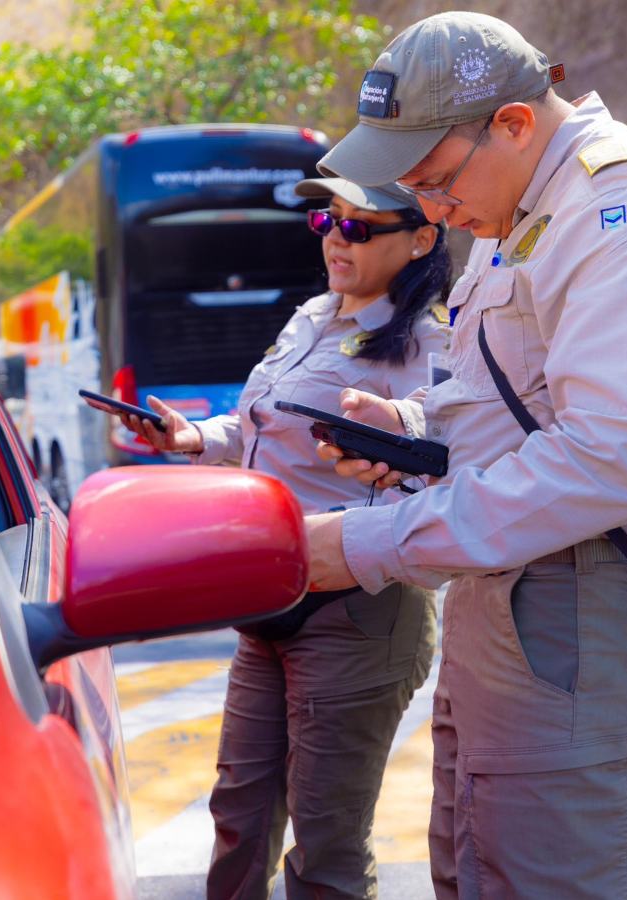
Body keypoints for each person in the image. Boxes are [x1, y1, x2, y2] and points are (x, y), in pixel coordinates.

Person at [303, 11, 627, 899]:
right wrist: (416, 432)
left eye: (433, 181)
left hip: (575, 607)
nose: (430, 210)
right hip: (506, 593)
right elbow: (511, 403)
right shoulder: (518, 206)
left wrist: (365, 547)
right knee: (475, 866)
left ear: (512, 122)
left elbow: (606, 460)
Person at [118, 177, 451, 899]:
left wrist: (404, 446)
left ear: (421, 238)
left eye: (360, 228)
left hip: (358, 608)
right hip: (268, 592)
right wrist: (191, 437)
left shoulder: (428, 344)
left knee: (326, 842)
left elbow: (450, 451)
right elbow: (257, 425)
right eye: (327, 219)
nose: (336, 237)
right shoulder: (312, 315)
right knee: (239, 813)